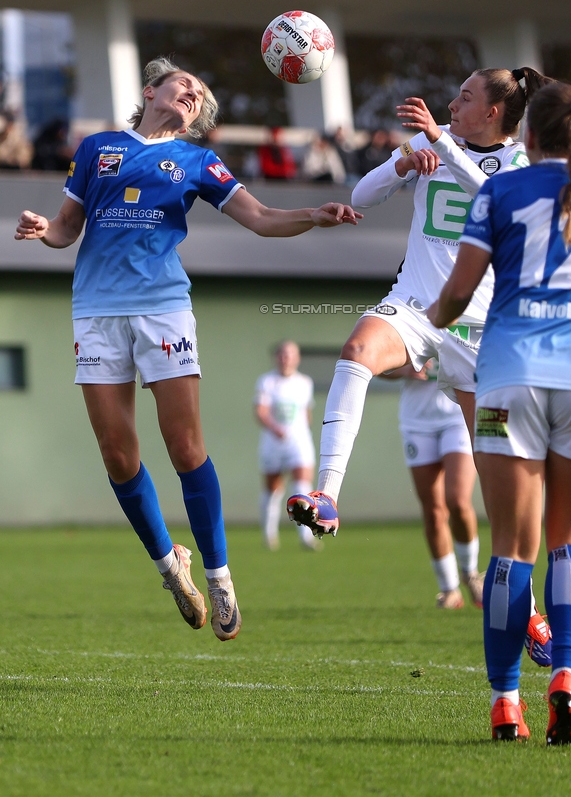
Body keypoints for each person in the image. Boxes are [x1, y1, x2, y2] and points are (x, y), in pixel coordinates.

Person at [14, 57, 360, 641]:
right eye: (184, 85)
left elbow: (261, 218)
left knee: (185, 447)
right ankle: (170, 565)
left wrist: (312, 214)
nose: (192, 94)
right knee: (118, 457)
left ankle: (221, 576)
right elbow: (67, 228)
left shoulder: (199, 161)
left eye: (199, 94)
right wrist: (41, 228)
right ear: (150, 91)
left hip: (163, 309)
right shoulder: (97, 147)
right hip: (96, 313)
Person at [287, 66, 553, 659]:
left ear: (493, 113)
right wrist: (404, 164)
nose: (452, 104)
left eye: (464, 97)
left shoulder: (521, 167)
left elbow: (491, 197)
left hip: (485, 334)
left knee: (499, 493)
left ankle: (529, 612)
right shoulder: (432, 143)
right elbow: (361, 195)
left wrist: (438, 143)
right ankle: (327, 494)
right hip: (414, 307)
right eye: (453, 95)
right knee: (355, 353)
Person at [430, 81, 571, 744]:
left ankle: (505, 704)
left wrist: (432, 326)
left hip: (509, 382)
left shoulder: (500, 192)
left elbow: (458, 293)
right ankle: (567, 681)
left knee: (511, 551)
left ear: (527, 137)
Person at [381, 358, 482, 607]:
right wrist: (404, 370)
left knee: (457, 501)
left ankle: (470, 574)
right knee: (434, 512)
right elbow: (377, 365)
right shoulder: (409, 320)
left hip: (457, 417)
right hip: (417, 423)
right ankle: (449, 590)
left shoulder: (466, 322)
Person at [255, 340, 319, 550]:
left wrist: (297, 432)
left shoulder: (305, 383)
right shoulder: (267, 382)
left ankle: (306, 536)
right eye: (282, 354)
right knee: (273, 489)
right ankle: (269, 535)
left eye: (290, 354)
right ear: (276, 357)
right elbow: (261, 412)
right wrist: (275, 428)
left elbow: (307, 415)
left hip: (298, 443)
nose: (286, 358)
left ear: (297, 358)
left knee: (302, 486)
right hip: (273, 443)